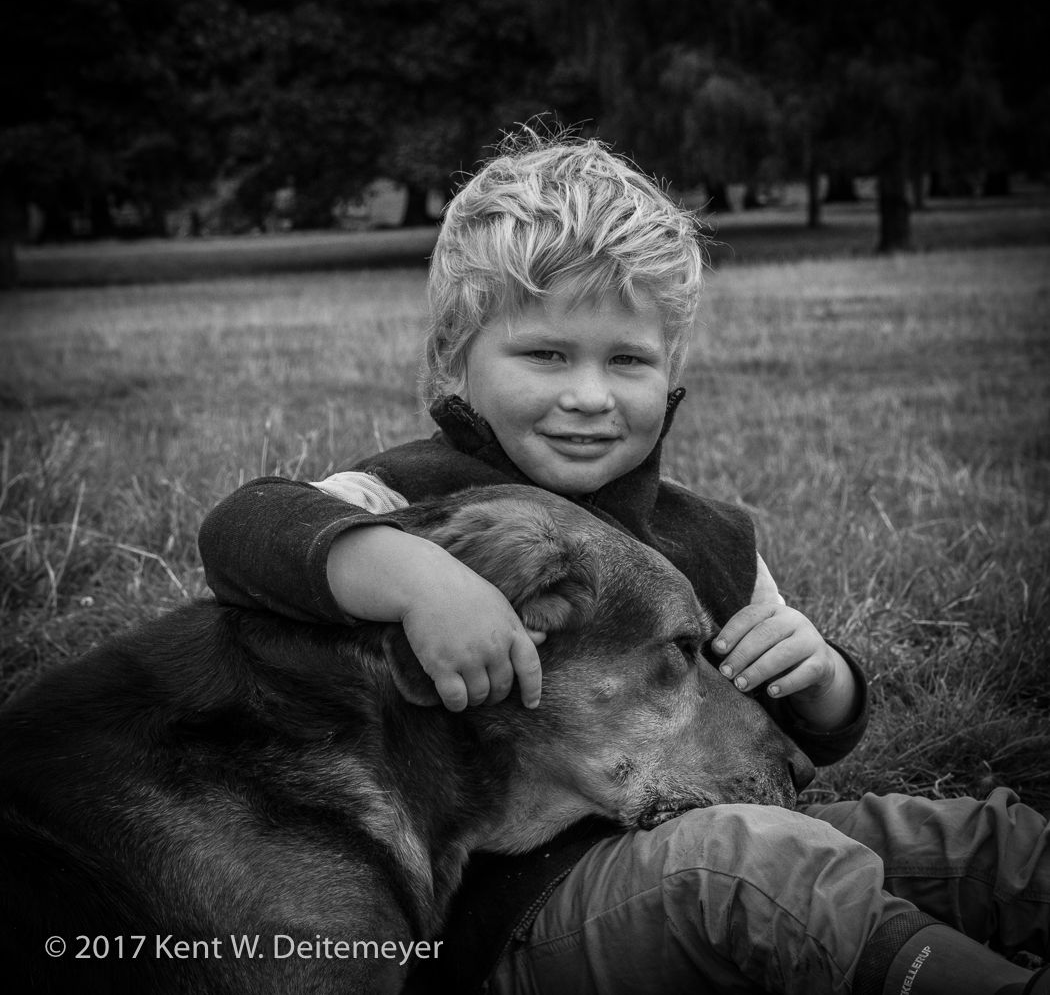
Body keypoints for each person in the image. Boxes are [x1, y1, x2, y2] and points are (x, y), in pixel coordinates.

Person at [198, 131, 1049, 994]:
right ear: (455, 358)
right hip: (513, 922)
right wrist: (419, 579)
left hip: (701, 830)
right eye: (546, 355)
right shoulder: (410, 504)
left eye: (629, 360)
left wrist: (824, 677)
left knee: (953, 840)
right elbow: (246, 530)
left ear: (671, 373)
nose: (591, 397)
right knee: (757, 872)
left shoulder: (707, 538)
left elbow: (796, 739)